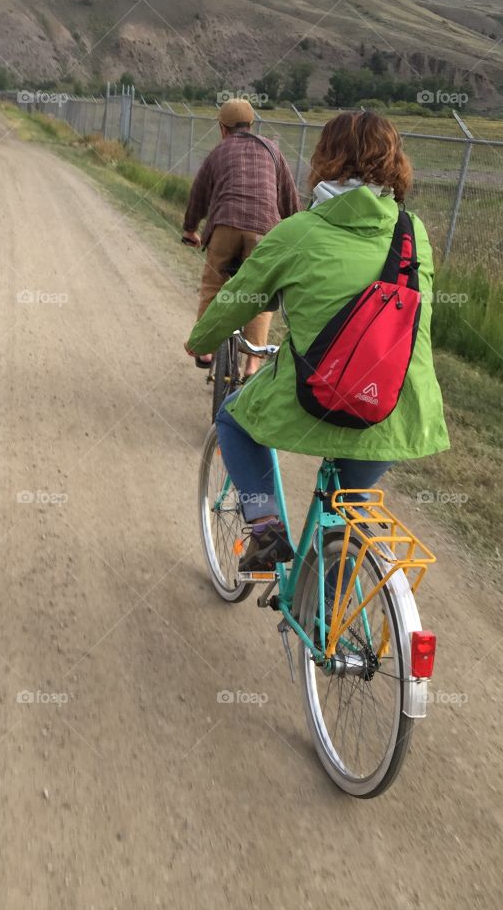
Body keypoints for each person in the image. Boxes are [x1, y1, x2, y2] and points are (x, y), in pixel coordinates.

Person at [184, 111, 449, 571]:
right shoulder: (414, 233)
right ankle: (336, 634)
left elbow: (237, 300)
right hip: (396, 406)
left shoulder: (298, 233)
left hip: (319, 396)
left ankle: (266, 528)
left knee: (233, 420)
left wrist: (200, 341)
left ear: (326, 159)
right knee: (346, 514)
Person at [181, 98, 301, 375]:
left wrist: (190, 229)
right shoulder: (272, 150)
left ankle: (206, 349)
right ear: (251, 125)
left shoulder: (218, 152)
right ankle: (253, 362)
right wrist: (297, 230)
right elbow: (289, 199)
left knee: (213, 285)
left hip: (226, 225)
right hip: (264, 230)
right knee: (261, 292)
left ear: (222, 129)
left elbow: (198, 195)